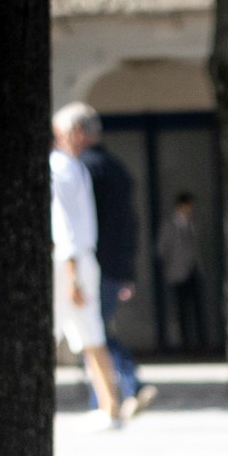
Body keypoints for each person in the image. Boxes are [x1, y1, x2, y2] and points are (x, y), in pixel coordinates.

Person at [77, 109, 156, 421]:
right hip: (113, 266)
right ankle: (108, 397)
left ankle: (125, 388)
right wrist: (128, 271)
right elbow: (130, 225)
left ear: (77, 133)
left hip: (92, 265)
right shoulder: (117, 170)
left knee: (91, 333)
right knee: (92, 332)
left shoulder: (83, 170)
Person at [50, 102, 123, 429]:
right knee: (92, 336)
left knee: (72, 334)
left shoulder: (61, 168)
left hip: (70, 261)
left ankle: (110, 406)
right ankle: (111, 405)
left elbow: (64, 226)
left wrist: (71, 275)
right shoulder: (75, 167)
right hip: (81, 260)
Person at [157, 193, 206, 351]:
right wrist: (172, 264)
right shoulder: (170, 225)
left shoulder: (194, 224)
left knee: (197, 307)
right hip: (178, 274)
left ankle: (199, 341)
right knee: (181, 309)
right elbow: (161, 249)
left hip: (194, 271)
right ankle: (185, 343)